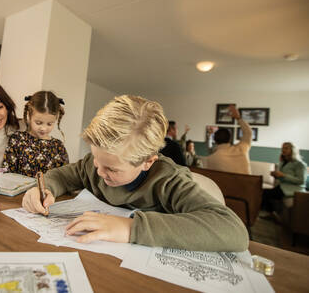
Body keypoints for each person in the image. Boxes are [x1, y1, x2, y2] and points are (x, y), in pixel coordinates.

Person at [22, 95, 248, 252]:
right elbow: (63, 176)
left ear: (148, 162)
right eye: (96, 160)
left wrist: (130, 228)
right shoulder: (96, 163)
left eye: (111, 168)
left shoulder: (168, 180)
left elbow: (233, 230)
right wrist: (44, 189)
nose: (98, 171)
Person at [3, 91, 69, 177]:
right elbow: (8, 172)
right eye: (38, 123)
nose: (43, 128)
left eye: (49, 124)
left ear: (56, 119)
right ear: (29, 116)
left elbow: (64, 178)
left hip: (48, 190)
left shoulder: (58, 146)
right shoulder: (17, 140)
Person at [262, 142, 307, 214]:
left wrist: (283, 175)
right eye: (282, 148)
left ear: (293, 150)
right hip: (282, 187)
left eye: (286, 148)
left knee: (265, 193)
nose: (283, 150)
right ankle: (272, 213)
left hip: (293, 189)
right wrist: (276, 175)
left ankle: (272, 214)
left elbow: (301, 181)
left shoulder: (300, 164)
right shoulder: (283, 162)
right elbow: (283, 178)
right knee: (263, 192)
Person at [206, 105, 252, 174]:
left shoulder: (212, 158)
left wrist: (209, 135)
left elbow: (210, 149)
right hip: (247, 184)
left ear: (215, 140)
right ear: (230, 139)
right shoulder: (242, 149)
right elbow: (248, 133)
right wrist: (238, 117)